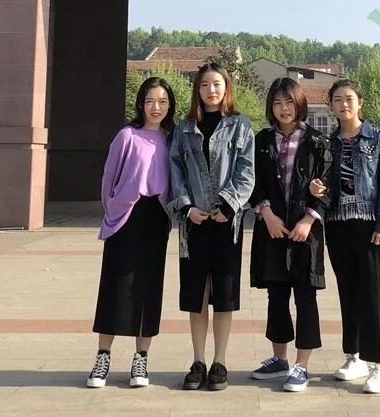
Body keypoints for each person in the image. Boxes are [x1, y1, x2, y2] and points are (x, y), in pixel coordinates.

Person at [169, 63, 255, 391]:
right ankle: (198, 361)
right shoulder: (185, 129)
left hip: (226, 224)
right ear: (198, 89)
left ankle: (220, 362)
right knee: (196, 294)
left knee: (224, 294)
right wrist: (186, 207)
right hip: (193, 223)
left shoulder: (240, 126)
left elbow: (246, 172)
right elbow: (175, 170)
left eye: (217, 84)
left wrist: (229, 205)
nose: (211, 90)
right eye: (205, 84)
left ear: (226, 87)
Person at [87, 77, 176, 388]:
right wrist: (113, 210)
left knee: (148, 288)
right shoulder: (126, 136)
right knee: (114, 286)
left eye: (162, 102)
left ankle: (141, 359)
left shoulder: (171, 138)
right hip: (125, 217)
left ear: (170, 106)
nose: (156, 107)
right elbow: (108, 180)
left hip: (156, 218)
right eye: (150, 101)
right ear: (141, 103)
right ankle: (103, 356)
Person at [310, 79, 380, 393]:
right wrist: (316, 188)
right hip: (337, 225)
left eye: (349, 99)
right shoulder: (327, 143)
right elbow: (322, 181)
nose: (343, 104)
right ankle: (354, 356)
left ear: (360, 103)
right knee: (348, 292)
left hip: (370, 225)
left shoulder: (379, 139)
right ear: (331, 106)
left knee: (376, 294)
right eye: (337, 99)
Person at [249, 78, 331, 392]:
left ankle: (302, 365)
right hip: (272, 228)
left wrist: (308, 220)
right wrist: (266, 213)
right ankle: (279, 359)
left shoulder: (317, 141)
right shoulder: (261, 140)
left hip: (304, 232)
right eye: (278, 103)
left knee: (306, 296)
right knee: (276, 295)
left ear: (299, 104)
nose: (284, 109)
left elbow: (327, 185)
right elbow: (252, 181)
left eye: (289, 103)